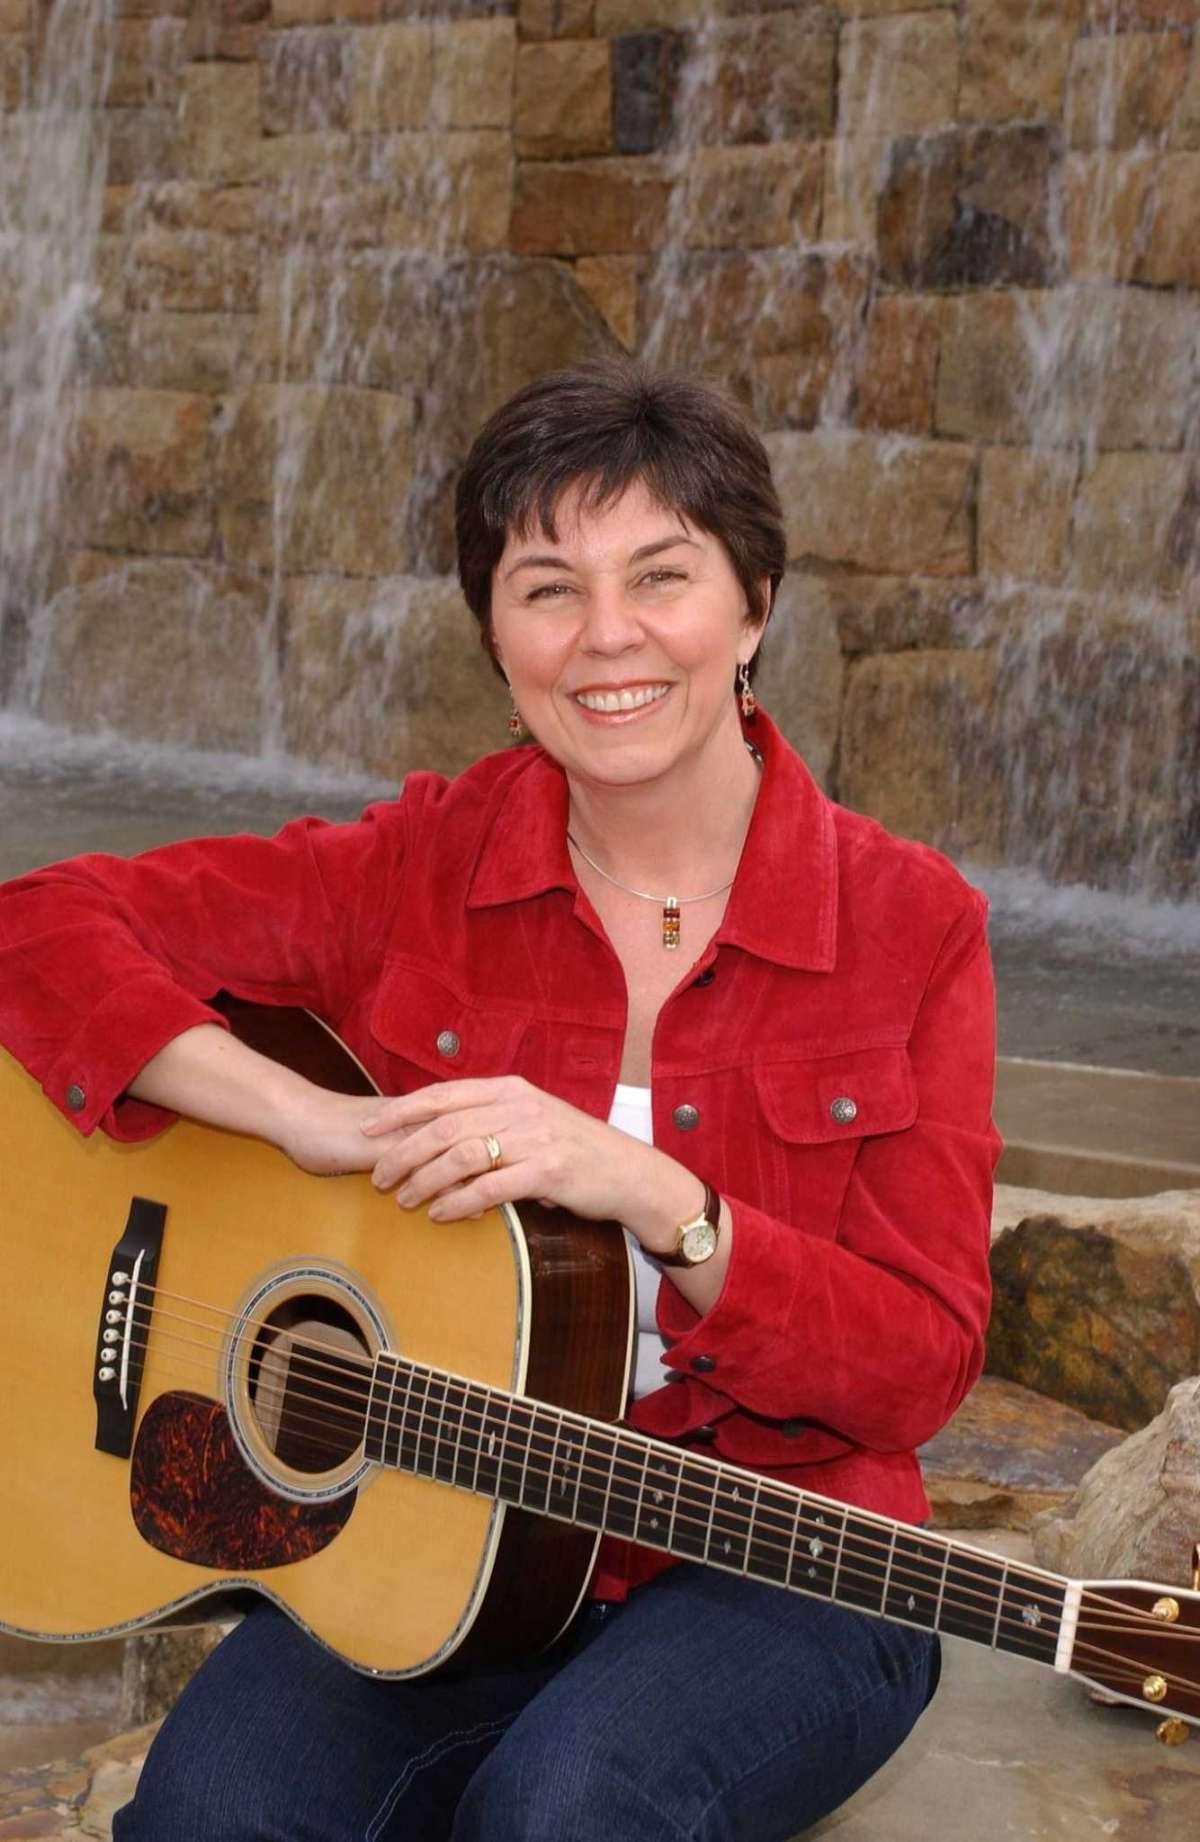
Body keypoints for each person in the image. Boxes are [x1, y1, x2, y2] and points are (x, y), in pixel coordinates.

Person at [0, 359, 998, 1841]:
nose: (607, 638)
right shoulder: (423, 862)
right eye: (546, 589)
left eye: (661, 575)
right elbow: (41, 919)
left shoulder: (912, 921)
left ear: (755, 605)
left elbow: (920, 1363)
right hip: (438, 1526)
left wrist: (666, 1200)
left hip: (782, 1562)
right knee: (210, 1811)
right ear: (493, 633)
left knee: (565, 1809)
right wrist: (295, 1111)